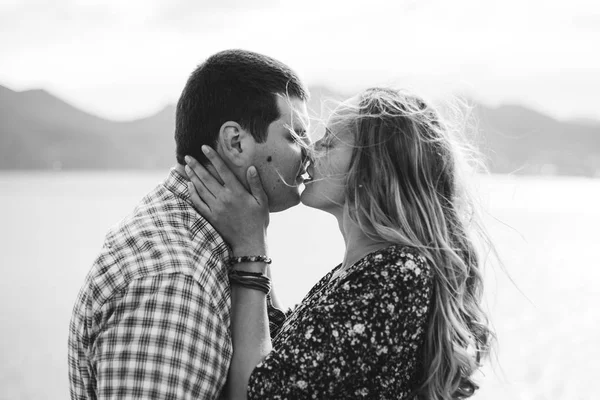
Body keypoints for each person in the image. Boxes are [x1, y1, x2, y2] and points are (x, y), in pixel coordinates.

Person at [184, 87, 495, 399]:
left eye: (329, 141)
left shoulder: (394, 276)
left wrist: (250, 248)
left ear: (373, 168)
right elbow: (284, 353)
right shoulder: (362, 270)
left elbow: (257, 392)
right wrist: (255, 234)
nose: (309, 149)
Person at [68, 49, 311, 399]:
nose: (309, 151)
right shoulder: (173, 283)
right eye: (293, 136)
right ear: (235, 142)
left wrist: (254, 242)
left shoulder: (213, 235)